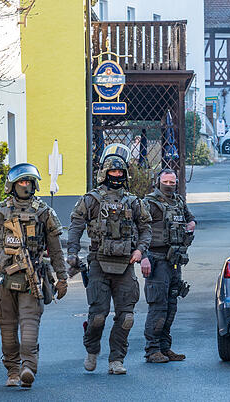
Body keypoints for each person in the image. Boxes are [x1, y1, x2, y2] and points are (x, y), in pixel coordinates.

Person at [0, 163, 68, 389]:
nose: (26, 185)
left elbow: (56, 248)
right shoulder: (0, 212)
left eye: (29, 182)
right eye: (22, 181)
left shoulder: (44, 213)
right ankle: (12, 371)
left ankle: (28, 368)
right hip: (4, 280)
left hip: (32, 281)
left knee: (30, 330)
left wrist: (62, 277)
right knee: (8, 331)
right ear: (12, 185)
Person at [68, 144, 152, 375]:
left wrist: (140, 251)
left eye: (120, 172)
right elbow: (75, 227)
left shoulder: (134, 202)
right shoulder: (91, 199)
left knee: (126, 317)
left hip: (126, 264)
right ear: (104, 174)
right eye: (113, 172)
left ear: (125, 174)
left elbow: (145, 228)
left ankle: (116, 360)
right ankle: (92, 350)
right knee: (98, 317)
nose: (117, 176)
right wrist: (72, 253)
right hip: (98, 262)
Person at [141, 169, 196, 363]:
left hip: (174, 261)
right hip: (157, 260)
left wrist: (191, 224)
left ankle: (165, 347)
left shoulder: (179, 201)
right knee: (158, 306)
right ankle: (152, 350)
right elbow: (139, 231)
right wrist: (144, 257)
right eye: (165, 181)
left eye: (172, 182)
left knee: (172, 305)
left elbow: (191, 218)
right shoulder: (149, 203)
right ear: (158, 182)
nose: (169, 185)